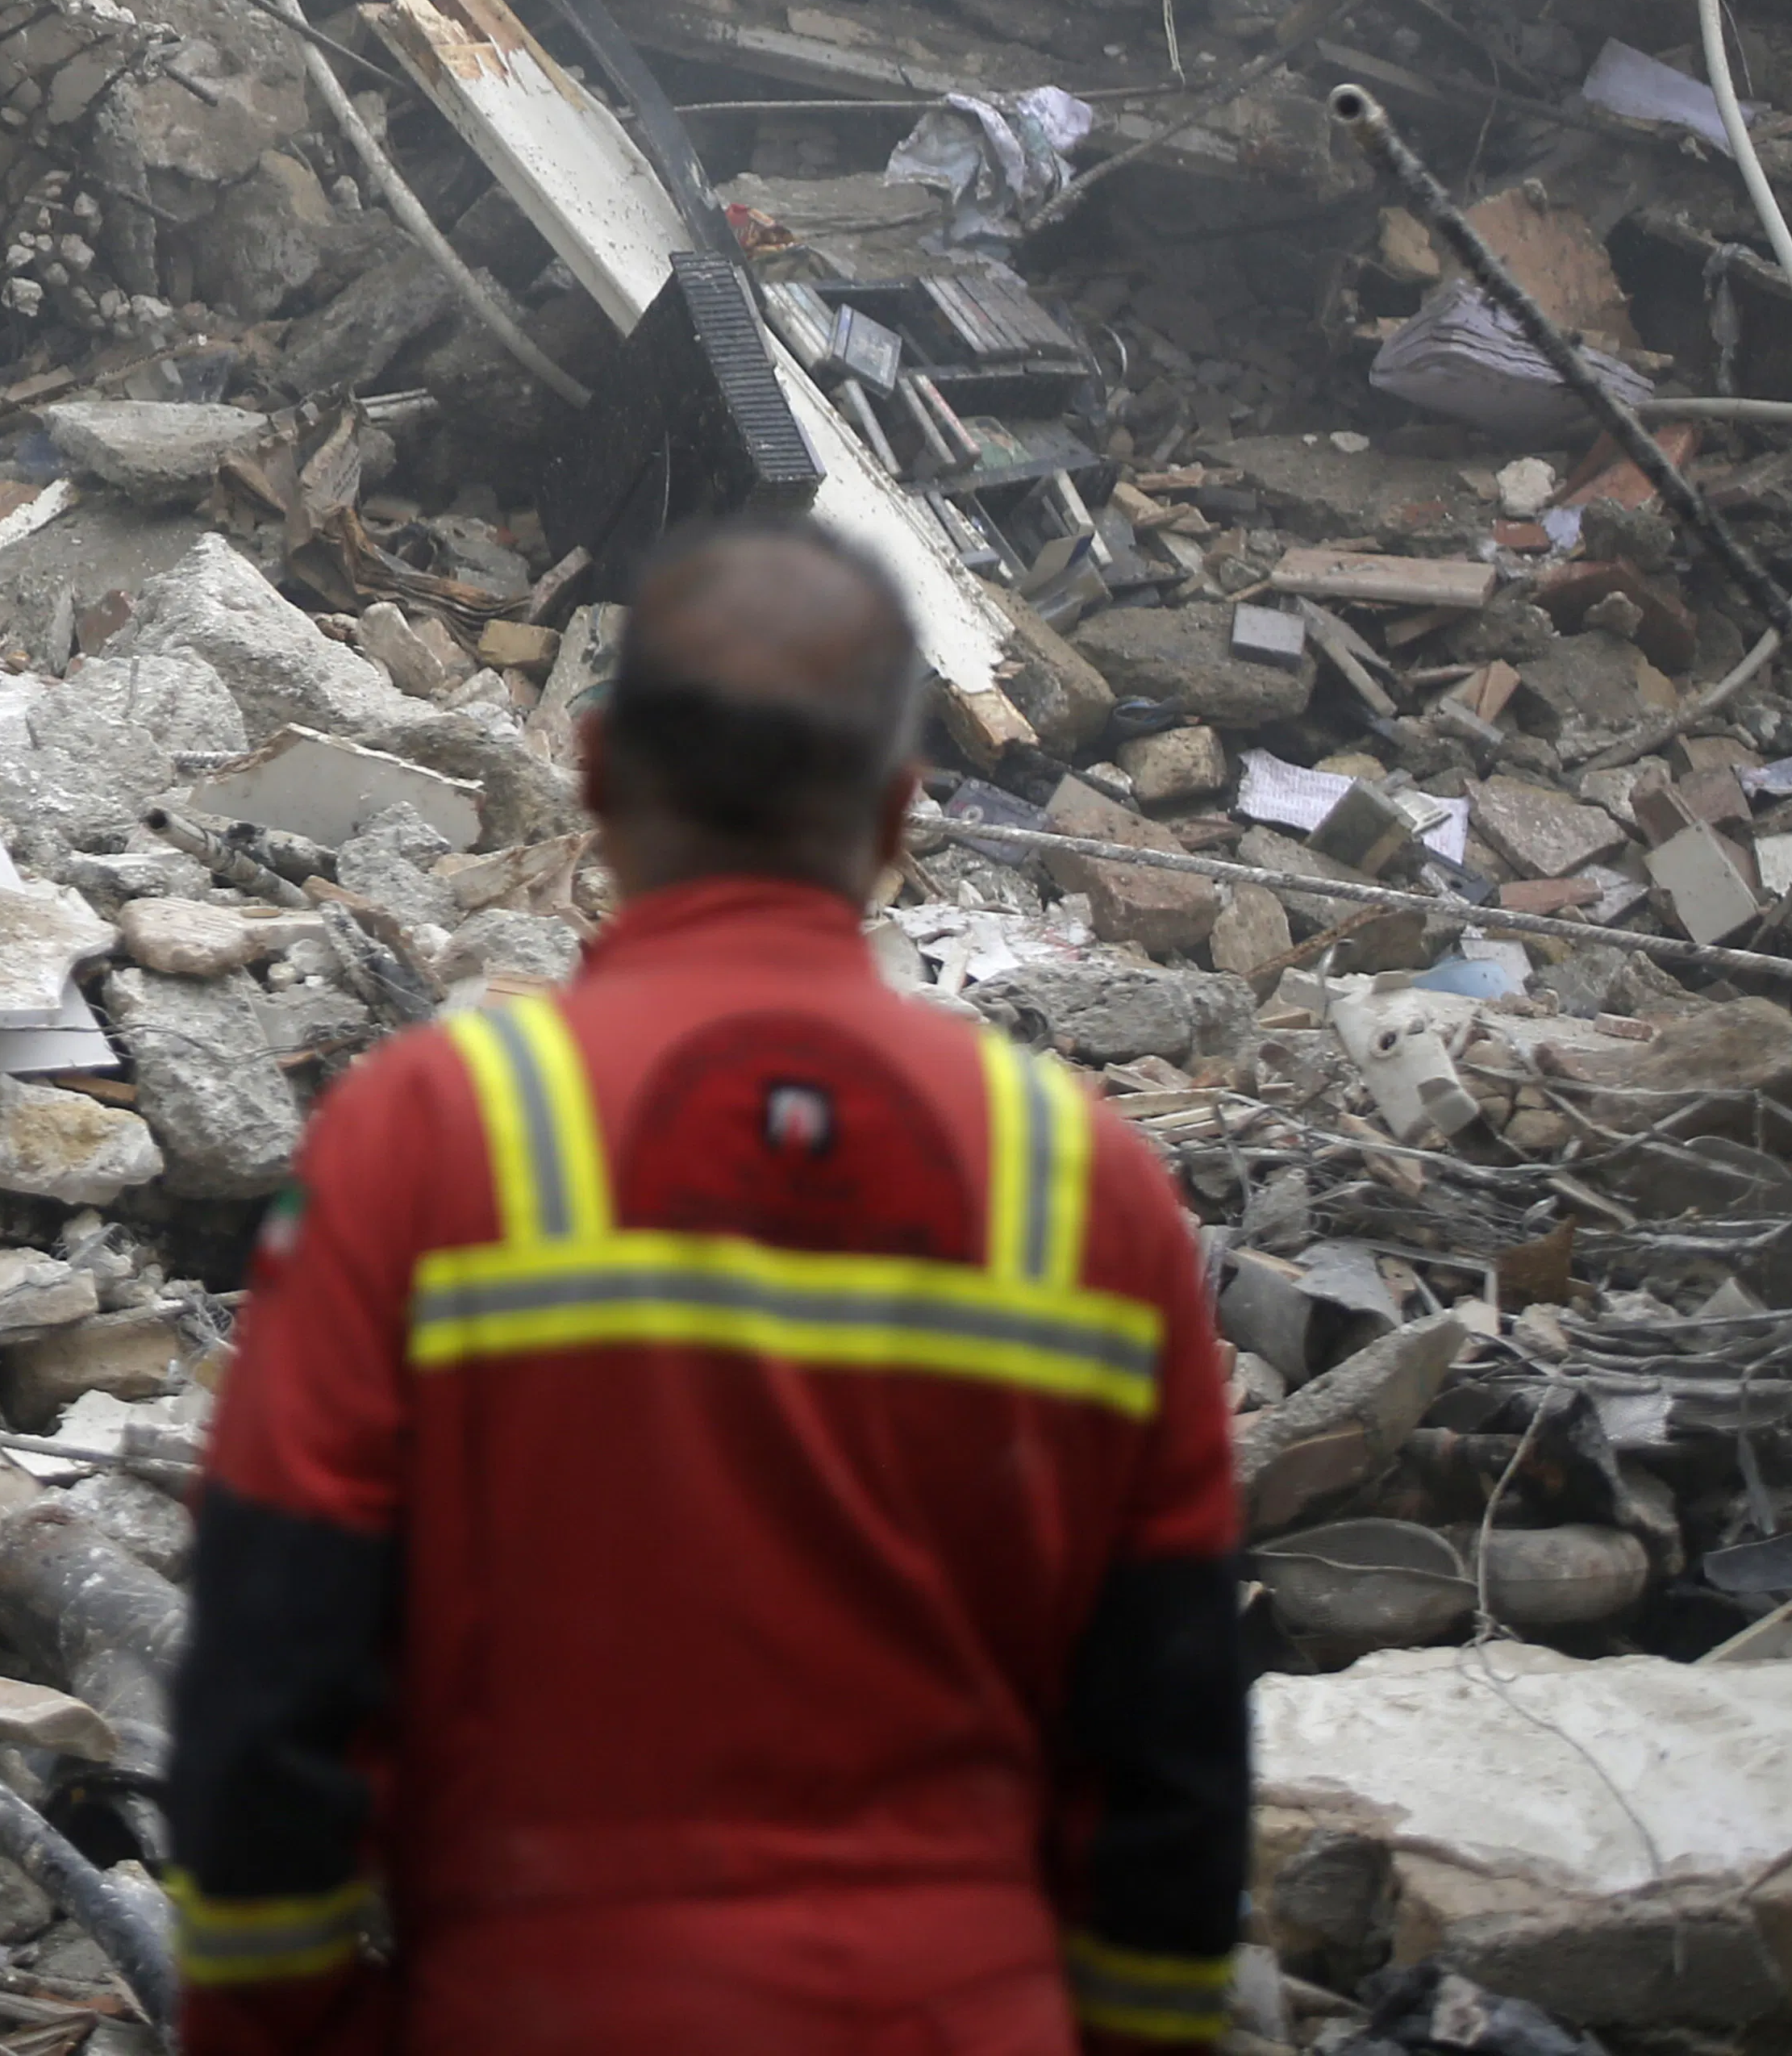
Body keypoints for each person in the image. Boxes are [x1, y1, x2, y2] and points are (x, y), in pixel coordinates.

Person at [163, 516, 1248, 2056]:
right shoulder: (1091, 1190)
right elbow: (1172, 1735)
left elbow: (273, 1664)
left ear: (597, 781)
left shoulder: (430, 1139)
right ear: (895, 818)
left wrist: (280, 2022)